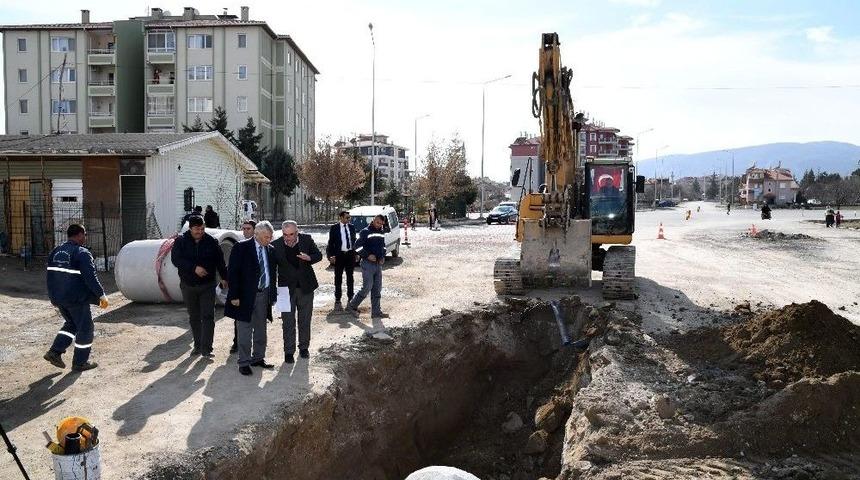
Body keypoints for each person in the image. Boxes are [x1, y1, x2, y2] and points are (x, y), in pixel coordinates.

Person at [43, 224, 107, 372]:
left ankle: (54, 352)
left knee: (71, 324)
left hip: (59, 298)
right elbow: (90, 277)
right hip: (76, 299)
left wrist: (53, 297)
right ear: (79, 235)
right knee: (85, 329)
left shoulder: (55, 251)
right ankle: (80, 363)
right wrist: (101, 295)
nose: (85, 237)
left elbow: (50, 276)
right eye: (84, 234)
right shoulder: (81, 253)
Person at [225, 221, 277, 375]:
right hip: (244, 296)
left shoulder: (271, 250)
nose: (269, 240)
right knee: (244, 329)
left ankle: (258, 358)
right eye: (266, 237)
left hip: (263, 294)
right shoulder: (241, 247)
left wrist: (272, 295)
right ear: (257, 234)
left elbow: (272, 274)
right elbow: (233, 273)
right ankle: (244, 362)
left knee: (261, 328)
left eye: (270, 237)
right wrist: (234, 295)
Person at [170, 216, 227, 358]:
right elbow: (176, 260)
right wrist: (194, 268)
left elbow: (220, 261)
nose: (200, 232)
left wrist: (225, 277)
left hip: (207, 285)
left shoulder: (211, 242)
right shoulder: (181, 241)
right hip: (188, 285)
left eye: (202, 229)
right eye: (197, 229)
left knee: (208, 316)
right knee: (194, 317)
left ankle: (207, 349)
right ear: (190, 228)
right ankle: (197, 345)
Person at [273, 221, 323, 363]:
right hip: (284, 289)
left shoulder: (307, 240)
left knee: (305, 319)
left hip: (305, 287)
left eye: (291, 234)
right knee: (287, 322)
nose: (288, 238)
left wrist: (309, 258)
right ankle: (288, 352)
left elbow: (318, 255)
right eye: (285, 234)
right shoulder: (276, 245)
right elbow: (272, 268)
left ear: (297, 232)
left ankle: (304, 348)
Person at [347, 214, 389, 320]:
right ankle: (352, 306)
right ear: (374, 220)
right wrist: (367, 255)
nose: (379, 225)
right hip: (367, 264)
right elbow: (357, 247)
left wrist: (383, 256)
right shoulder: (365, 231)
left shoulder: (381, 232)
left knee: (377, 289)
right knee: (367, 287)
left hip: (378, 265)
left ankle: (376, 312)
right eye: (377, 222)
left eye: (381, 223)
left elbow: (383, 246)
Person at [230, 220, 257, 354]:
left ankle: (255, 347)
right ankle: (237, 343)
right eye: (244, 229)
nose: (245, 231)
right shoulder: (239, 246)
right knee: (239, 319)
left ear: (255, 230)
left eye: (248, 229)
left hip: (256, 290)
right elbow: (233, 270)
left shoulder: (262, 245)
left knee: (256, 320)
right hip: (242, 290)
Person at [327, 211, 357, 312]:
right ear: (341, 217)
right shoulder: (334, 228)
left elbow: (354, 241)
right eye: (347, 218)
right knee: (338, 278)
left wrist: (356, 253)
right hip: (339, 256)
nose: (349, 220)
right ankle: (338, 300)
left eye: (349, 218)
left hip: (349, 255)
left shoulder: (352, 227)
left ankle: (351, 300)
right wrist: (331, 256)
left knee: (350, 277)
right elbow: (330, 243)